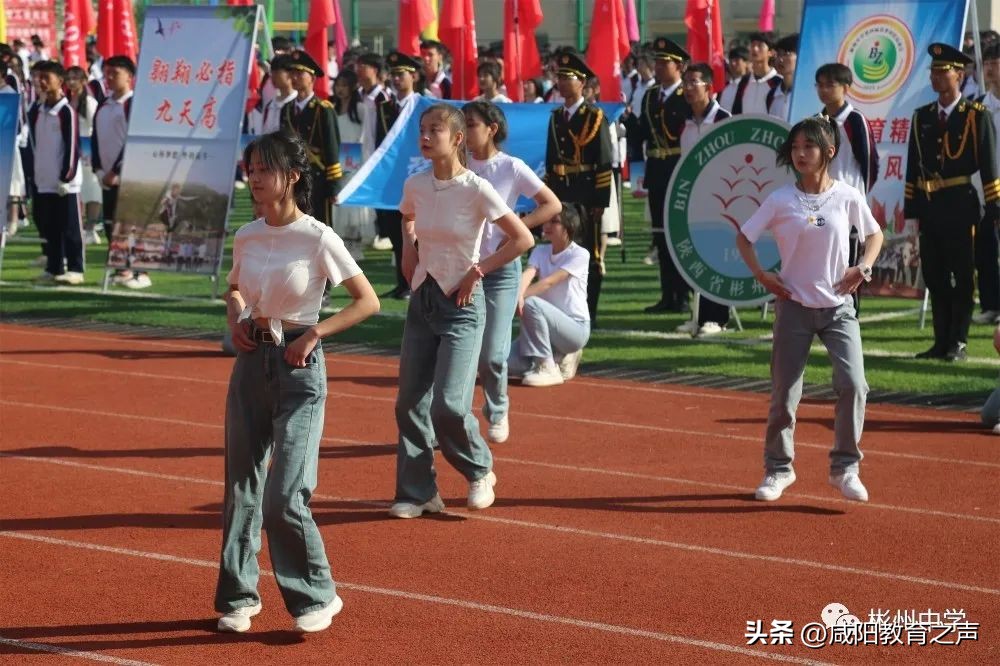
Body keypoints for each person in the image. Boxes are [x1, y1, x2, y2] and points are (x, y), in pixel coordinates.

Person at [216, 130, 379, 634]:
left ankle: (317, 594)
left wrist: (314, 335)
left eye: (264, 169)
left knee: (285, 494)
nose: (254, 177)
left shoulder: (318, 237)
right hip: (251, 364)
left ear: (291, 176)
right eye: (251, 169)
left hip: (299, 366)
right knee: (241, 486)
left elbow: (367, 301)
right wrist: (235, 315)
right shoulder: (247, 235)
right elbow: (235, 289)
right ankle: (238, 596)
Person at [390, 103, 534, 518]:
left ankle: (480, 468)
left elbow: (522, 239)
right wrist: (408, 248)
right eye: (422, 129)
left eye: (434, 129)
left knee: (449, 406)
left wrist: (479, 270)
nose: (425, 135)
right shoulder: (416, 184)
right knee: (408, 403)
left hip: (462, 305)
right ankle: (418, 492)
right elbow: (407, 216)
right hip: (423, 300)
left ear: (456, 139)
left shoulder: (476, 188)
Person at [736, 116, 884, 503]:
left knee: (854, 384)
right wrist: (762, 276)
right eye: (795, 147)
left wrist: (863, 267)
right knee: (784, 393)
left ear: (829, 151)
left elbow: (874, 234)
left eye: (809, 147)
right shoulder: (780, 199)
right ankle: (778, 469)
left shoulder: (848, 195)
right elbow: (745, 237)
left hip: (838, 308)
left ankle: (845, 468)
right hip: (793, 307)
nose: (800, 154)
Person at [463, 100, 560, 443]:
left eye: (471, 124)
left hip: (502, 269)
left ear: (492, 129)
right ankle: (454, 419)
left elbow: (552, 204)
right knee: (459, 351)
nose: (464, 131)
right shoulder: (457, 164)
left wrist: (521, 226)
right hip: (462, 268)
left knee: (493, 353)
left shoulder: (511, 167)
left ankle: (497, 409)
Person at [905, 43, 1000, 362]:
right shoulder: (922, 117)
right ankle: (939, 340)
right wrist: (912, 209)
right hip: (930, 206)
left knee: (962, 276)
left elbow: (989, 164)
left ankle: (958, 341)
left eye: (942, 71)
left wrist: (995, 205)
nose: (935, 77)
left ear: (959, 75)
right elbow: (913, 165)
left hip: (961, 206)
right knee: (934, 275)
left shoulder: (975, 115)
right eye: (932, 71)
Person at [544, 51, 614, 323]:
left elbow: (604, 162)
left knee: (587, 253)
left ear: (582, 83)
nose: (562, 82)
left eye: (568, 78)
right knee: (561, 250)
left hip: (585, 194)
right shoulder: (556, 117)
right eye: (559, 77)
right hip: (562, 193)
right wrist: (549, 199)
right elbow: (551, 162)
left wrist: (599, 201)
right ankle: (565, 308)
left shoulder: (594, 117)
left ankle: (588, 312)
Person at [815, 62, 880, 313]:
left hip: (846, 205)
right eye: (820, 85)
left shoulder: (854, 120)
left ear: (846, 88)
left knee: (849, 263)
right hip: (819, 202)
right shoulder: (817, 121)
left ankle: (849, 314)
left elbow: (869, 162)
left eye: (830, 85)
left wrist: (857, 196)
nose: (824, 90)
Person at [674, 63, 733, 337]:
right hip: (693, 201)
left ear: (708, 87)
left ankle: (718, 318)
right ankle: (697, 315)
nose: (687, 88)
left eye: (693, 83)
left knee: (717, 258)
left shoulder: (724, 119)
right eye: (684, 83)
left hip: (721, 202)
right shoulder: (684, 122)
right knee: (696, 258)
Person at [634, 38, 692, 315]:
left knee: (679, 234)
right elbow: (644, 133)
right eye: (656, 61)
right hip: (657, 170)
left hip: (679, 168)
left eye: (663, 62)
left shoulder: (687, 95)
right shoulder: (650, 96)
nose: (657, 66)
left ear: (679, 66)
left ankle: (684, 295)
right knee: (660, 235)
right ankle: (667, 295)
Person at [508, 206, 591, 387]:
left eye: (554, 222)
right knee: (500, 361)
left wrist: (519, 299)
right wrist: (516, 296)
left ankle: (547, 367)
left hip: (575, 329)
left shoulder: (579, 254)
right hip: (545, 329)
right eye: (546, 221)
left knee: (531, 304)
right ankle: (558, 358)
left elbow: (549, 282)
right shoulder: (540, 251)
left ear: (569, 227)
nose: (547, 225)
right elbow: (528, 274)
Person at [91, 55, 150, 289]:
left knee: (131, 225)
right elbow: (96, 139)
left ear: (129, 77)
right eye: (107, 73)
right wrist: (97, 167)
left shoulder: (133, 104)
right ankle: (122, 268)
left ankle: (141, 271)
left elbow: (134, 140)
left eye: (115, 73)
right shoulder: (104, 105)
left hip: (129, 177)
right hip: (106, 177)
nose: (109, 78)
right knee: (111, 225)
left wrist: (117, 170)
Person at [27, 60, 84, 285]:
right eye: (39, 77)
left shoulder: (66, 111)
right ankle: (54, 267)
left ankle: (76, 268)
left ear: (60, 81)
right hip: (43, 179)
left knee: (70, 227)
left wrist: (66, 176)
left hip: (64, 183)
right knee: (49, 227)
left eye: (46, 78)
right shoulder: (37, 110)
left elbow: (72, 146)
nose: (41, 82)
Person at [373, 52, 423, 299]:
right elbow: (379, 143)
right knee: (395, 231)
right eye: (393, 74)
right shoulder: (384, 107)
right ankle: (402, 282)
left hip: (416, 174)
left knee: (417, 232)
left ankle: (417, 283)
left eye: (400, 74)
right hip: (393, 180)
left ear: (414, 76)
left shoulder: (423, 105)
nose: (396, 79)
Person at [280, 50, 343, 227]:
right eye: (292, 73)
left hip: (317, 178)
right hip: (293, 177)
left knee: (320, 226)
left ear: (312, 78)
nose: (294, 77)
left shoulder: (323, 109)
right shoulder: (286, 109)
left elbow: (332, 148)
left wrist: (334, 185)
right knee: (294, 224)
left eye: (300, 73)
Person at [330, 69, 372, 260]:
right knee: (339, 199)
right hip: (336, 157)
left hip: (355, 157)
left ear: (353, 87)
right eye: (338, 85)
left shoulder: (361, 109)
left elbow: (366, 135)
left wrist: (358, 158)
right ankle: (342, 243)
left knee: (352, 203)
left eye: (344, 86)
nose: (340, 89)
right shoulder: (332, 108)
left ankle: (355, 244)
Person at [974, 44, 1000, 325]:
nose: (990, 67)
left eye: (996, 62)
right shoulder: (979, 105)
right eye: (988, 62)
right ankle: (991, 305)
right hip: (985, 190)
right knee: (986, 250)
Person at [65, 66, 102, 244]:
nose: (71, 82)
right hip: (74, 148)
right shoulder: (69, 100)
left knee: (92, 187)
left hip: (87, 148)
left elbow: (96, 127)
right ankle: (81, 226)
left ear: (84, 81)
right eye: (68, 78)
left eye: (75, 78)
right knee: (78, 188)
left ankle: (91, 228)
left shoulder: (89, 102)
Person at [720, 33, 783, 117]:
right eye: (753, 45)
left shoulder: (778, 82)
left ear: (771, 53)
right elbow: (736, 113)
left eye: (760, 46)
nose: (755, 49)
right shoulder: (744, 82)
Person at [260, 54, 295, 135]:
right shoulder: (270, 105)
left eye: (277, 73)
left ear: (290, 74)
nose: (273, 77)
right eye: (272, 73)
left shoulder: (296, 104)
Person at [771, 34, 798, 122]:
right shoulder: (772, 94)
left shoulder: (809, 94)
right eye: (779, 54)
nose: (780, 59)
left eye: (786, 54)